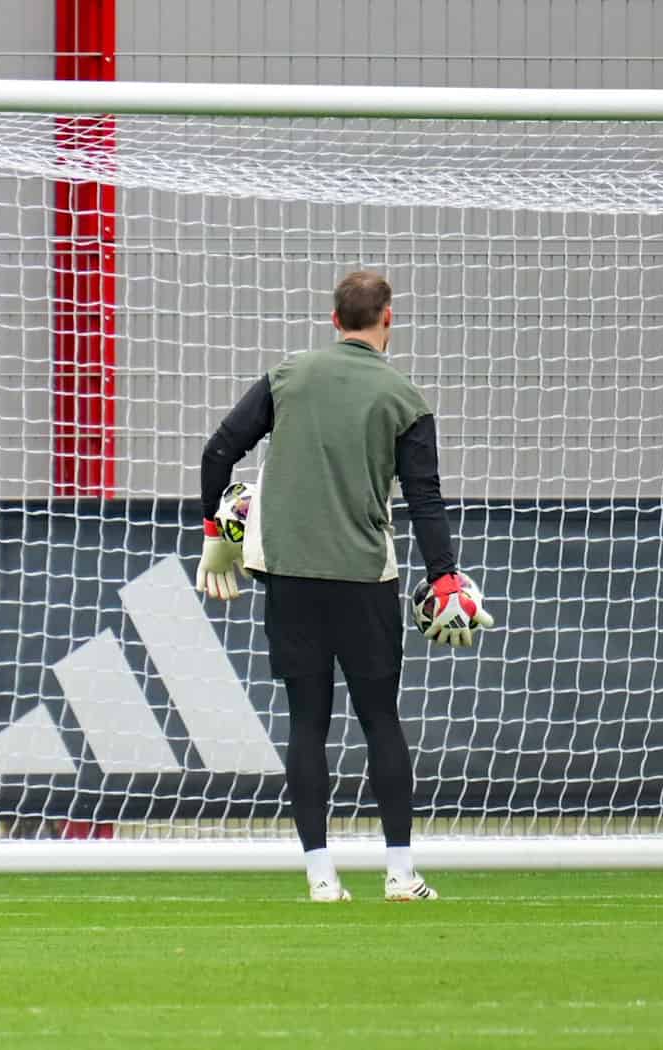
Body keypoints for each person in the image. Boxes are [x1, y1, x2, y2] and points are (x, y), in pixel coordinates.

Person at [196, 270, 493, 902]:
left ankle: (321, 878)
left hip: (291, 576)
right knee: (381, 721)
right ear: (389, 318)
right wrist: (443, 574)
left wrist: (216, 531)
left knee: (307, 723)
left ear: (334, 321)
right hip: (364, 579)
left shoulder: (288, 376)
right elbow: (425, 497)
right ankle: (400, 874)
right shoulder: (404, 397)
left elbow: (217, 453)